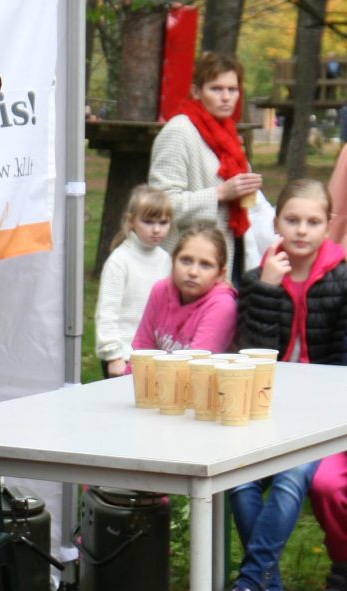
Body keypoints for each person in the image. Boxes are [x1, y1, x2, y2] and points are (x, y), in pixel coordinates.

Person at [213, 178, 347, 591]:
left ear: (329, 225)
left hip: (324, 420)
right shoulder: (257, 280)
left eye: (313, 222)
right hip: (267, 413)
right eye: (292, 220)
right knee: (240, 481)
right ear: (276, 222)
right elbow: (254, 357)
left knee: (298, 477)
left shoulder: (343, 278)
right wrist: (269, 290)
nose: (302, 230)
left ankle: (249, 585)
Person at [148, 51, 261, 285]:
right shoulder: (180, 131)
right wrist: (220, 194)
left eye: (233, 89)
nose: (226, 97)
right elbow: (160, 206)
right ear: (197, 91)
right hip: (189, 263)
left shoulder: (227, 133)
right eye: (216, 89)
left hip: (228, 250)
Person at [94, 185, 172, 377]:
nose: (156, 229)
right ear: (131, 221)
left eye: (163, 222)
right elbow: (107, 312)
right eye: (148, 222)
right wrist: (113, 355)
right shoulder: (120, 261)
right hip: (124, 356)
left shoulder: (166, 260)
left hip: (157, 356)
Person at [130, 223, 237, 356]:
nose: (193, 272)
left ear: (220, 274)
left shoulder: (222, 306)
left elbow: (198, 366)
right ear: (173, 261)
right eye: (186, 261)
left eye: (205, 265)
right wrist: (131, 377)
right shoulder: (161, 290)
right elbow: (141, 350)